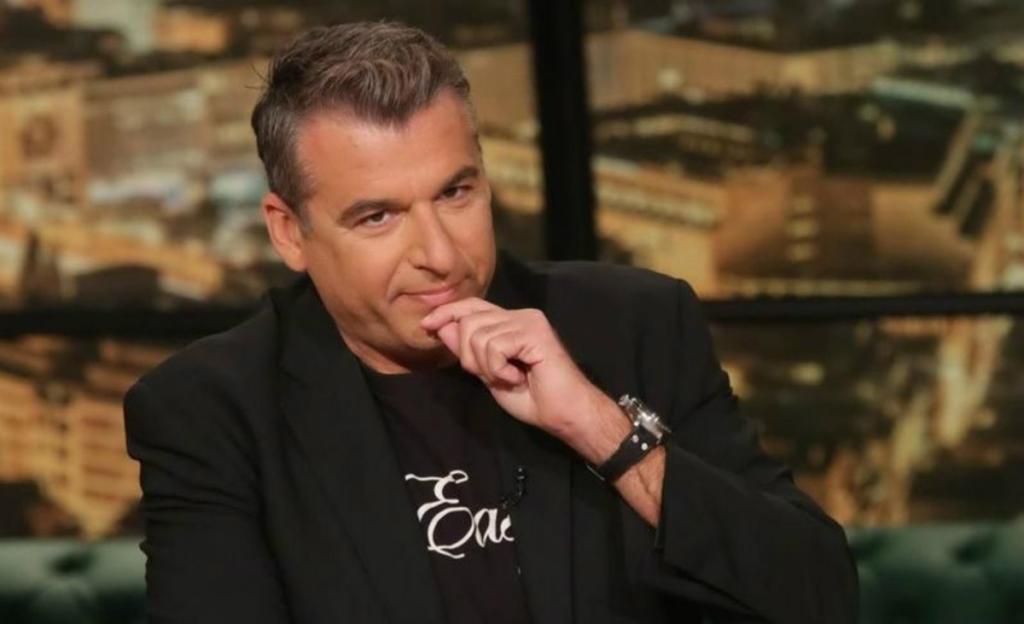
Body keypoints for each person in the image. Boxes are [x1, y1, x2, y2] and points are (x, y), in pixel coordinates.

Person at [124, 21, 858, 624]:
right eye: (378, 217)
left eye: (456, 193)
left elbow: (819, 596)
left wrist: (600, 429)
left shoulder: (634, 325)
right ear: (289, 232)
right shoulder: (213, 413)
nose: (440, 255)